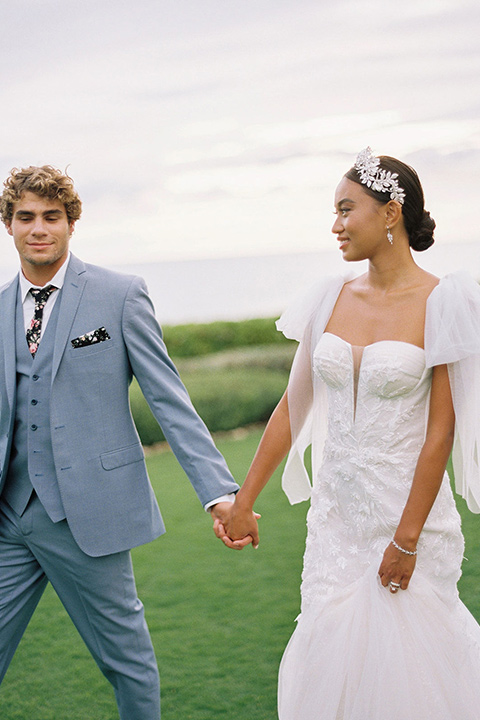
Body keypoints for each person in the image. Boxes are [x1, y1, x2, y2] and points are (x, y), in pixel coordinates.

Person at [214, 148, 480, 719]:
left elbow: (440, 435)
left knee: (411, 675)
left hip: (406, 520)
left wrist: (406, 540)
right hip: (336, 521)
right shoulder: (329, 297)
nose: (335, 225)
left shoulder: (446, 302)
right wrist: (244, 499)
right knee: (330, 661)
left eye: (345, 209)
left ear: (391, 213)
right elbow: (293, 404)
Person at [0, 165, 244, 720]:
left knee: (126, 660)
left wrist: (219, 492)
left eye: (51, 217)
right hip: (8, 517)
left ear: (70, 223)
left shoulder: (119, 295)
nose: (39, 228)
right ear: (8, 225)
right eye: (26, 217)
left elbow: (169, 401)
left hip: (86, 515)